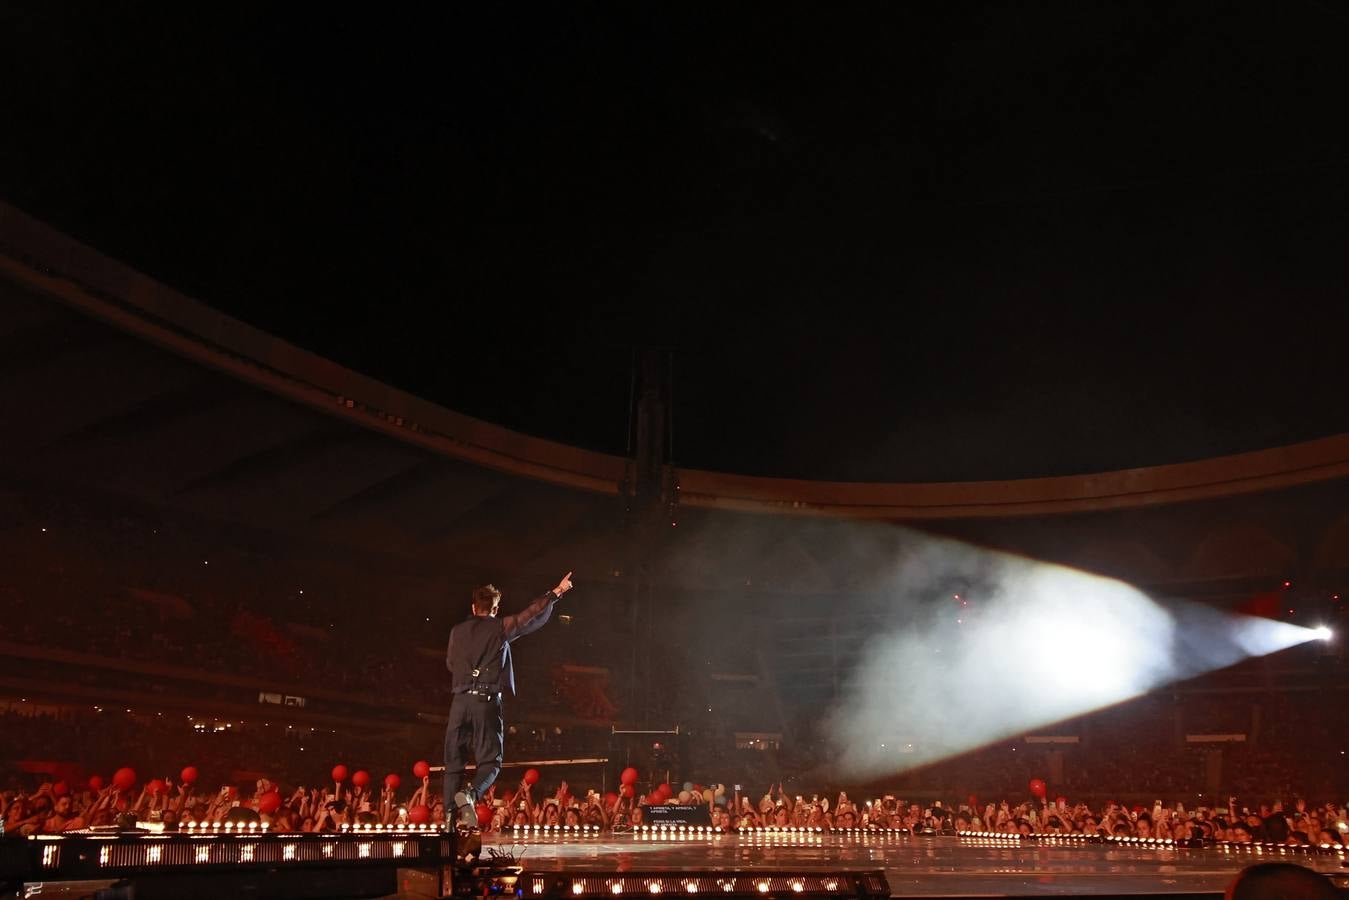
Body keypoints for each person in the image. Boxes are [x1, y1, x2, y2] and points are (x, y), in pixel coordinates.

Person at [443, 572, 573, 830]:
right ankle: (470, 794)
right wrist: (557, 592)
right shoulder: (499, 627)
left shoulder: (456, 632)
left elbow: (450, 663)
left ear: (473, 607)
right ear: (495, 608)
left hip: (459, 703)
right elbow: (530, 615)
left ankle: (448, 822)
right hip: (485, 702)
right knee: (491, 762)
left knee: (453, 765)